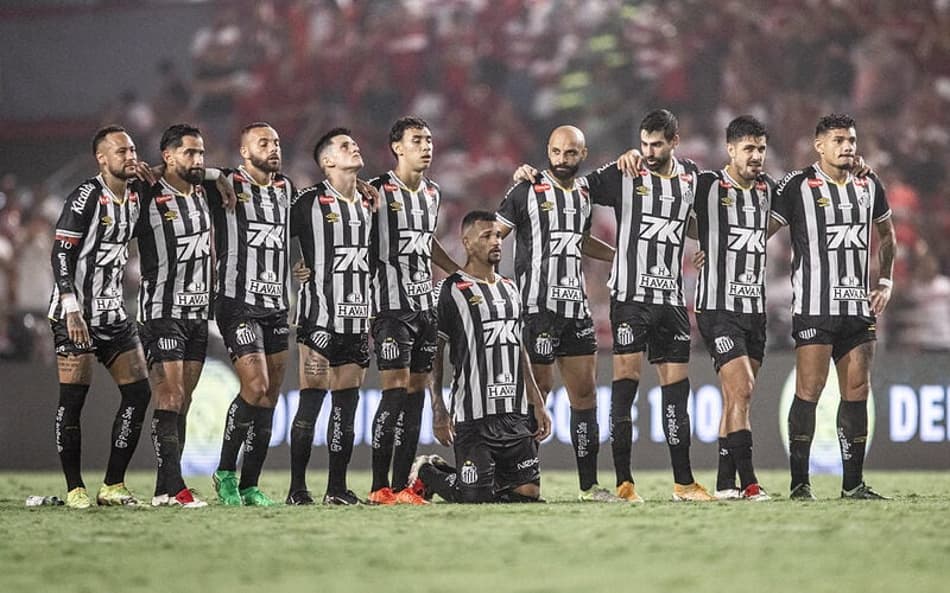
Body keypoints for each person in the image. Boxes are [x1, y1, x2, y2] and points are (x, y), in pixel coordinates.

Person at [587, 109, 714, 502]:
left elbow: (697, 220)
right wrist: (531, 176)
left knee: (676, 393)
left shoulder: (692, 176)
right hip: (630, 297)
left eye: (657, 144)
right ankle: (624, 483)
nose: (649, 151)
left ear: (675, 141)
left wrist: (707, 243)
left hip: (671, 300)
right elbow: (574, 187)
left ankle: (684, 483)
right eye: (644, 144)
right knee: (625, 385)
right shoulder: (626, 173)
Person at [769, 113, 896, 500]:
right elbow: (761, 230)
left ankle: (852, 484)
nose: (847, 147)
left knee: (857, 390)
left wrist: (885, 281)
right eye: (838, 140)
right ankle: (799, 483)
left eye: (851, 140)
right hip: (815, 307)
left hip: (858, 307)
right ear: (819, 146)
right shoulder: (796, 185)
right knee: (810, 389)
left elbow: (887, 235)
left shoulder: (869, 183)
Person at [496, 125, 620, 502]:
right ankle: (524, 481)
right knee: (537, 395)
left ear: (583, 154)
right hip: (537, 309)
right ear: (547, 151)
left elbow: (578, 240)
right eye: (556, 152)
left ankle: (589, 486)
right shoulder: (526, 190)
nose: (562, 160)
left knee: (585, 395)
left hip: (576, 309)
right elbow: (492, 235)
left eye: (570, 153)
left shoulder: (584, 192)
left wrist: (619, 257)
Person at [410, 210, 552, 503]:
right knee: (476, 498)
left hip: (513, 414)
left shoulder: (510, 288)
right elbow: (436, 352)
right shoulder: (450, 290)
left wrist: (537, 401)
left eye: (498, 235)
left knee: (528, 494)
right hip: (473, 417)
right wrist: (438, 406)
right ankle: (428, 472)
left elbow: (518, 346)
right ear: (467, 242)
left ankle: (484, 478)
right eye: (486, 236)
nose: (496, 241)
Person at [48, 125, 153, 508]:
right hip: (75, 315)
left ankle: (112, 485)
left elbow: (172, 175)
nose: (130, 156)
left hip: (113, 313)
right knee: (73, 400)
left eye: (132, 149)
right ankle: (75, 488)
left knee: (138, 393)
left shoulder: (137, 193)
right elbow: (61, 254)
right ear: (102, 159)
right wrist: (71, 308)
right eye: (121, 151)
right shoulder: (87, 196)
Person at [366, 116, 460, 505]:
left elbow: (426, 240)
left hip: (425, 308)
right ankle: (378, 487)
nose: (426, 146)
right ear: (397, 147)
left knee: (416, 397)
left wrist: (456, 272)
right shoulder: (374, 191)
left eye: (429, 140)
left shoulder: (433, 193)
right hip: (390, 308)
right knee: (394, 393)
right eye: (417, 140)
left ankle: (403, 486)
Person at [207, 122, 295, 507]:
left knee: (269, 397)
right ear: (244, 152)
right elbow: (180, 172)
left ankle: (249, 484)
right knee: (255, 387)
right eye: (263, 143)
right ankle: (225, 472)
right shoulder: (226, 183)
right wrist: (214, 174)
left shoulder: (286, 188)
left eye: (276, 142)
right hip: (236, 302)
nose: (274, 148)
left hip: (276, 306)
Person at [286, 128, 374, 505]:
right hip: (318, 319)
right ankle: (297, 489)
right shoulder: (308, 201)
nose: (354, 147)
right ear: (327, 161)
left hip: (357, 321)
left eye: (354, 143)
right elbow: (273, 236)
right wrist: (295, 265)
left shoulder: (371, 202)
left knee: (346, 408)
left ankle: (336, 489)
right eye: (344, 146)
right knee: (311, 402)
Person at [692, 116, 774, 501]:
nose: (756, 156)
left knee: (736, 397)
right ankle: (750, 483)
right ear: (730, 150)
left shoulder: (768, 189)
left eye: (761, 149)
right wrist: (705, 241)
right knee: (742, 388)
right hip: (717, 308)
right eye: (748, 148)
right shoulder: (707, 185)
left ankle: (725, 483)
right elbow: (667, 207)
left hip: (754, 310)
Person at [136, 123, 214, 508]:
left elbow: (225, 174)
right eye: (189, 153)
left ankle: (164, 489)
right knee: (170, 395)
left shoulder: (202, 190)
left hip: (197, 314)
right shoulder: (147, 192)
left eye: (201, 153)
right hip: (161, 311)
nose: (198, 160)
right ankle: (176, 486)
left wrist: (216, 175)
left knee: (183, 400)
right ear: (167, 157)